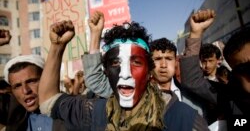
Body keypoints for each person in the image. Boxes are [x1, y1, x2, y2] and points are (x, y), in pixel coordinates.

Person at [38, 11, 208, 131]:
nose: (125, 73)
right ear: (105, 71)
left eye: (136, 62)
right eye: (115, 62)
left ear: (149, 71)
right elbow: (47, 102)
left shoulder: (184, 119)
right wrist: (57, 47)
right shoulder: (93, 113)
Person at [0, 55, 67, 131]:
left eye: (31, 81)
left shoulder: (71, 112)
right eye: (17, 86)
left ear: (46, 79)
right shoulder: (14, 124)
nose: (25, 91)